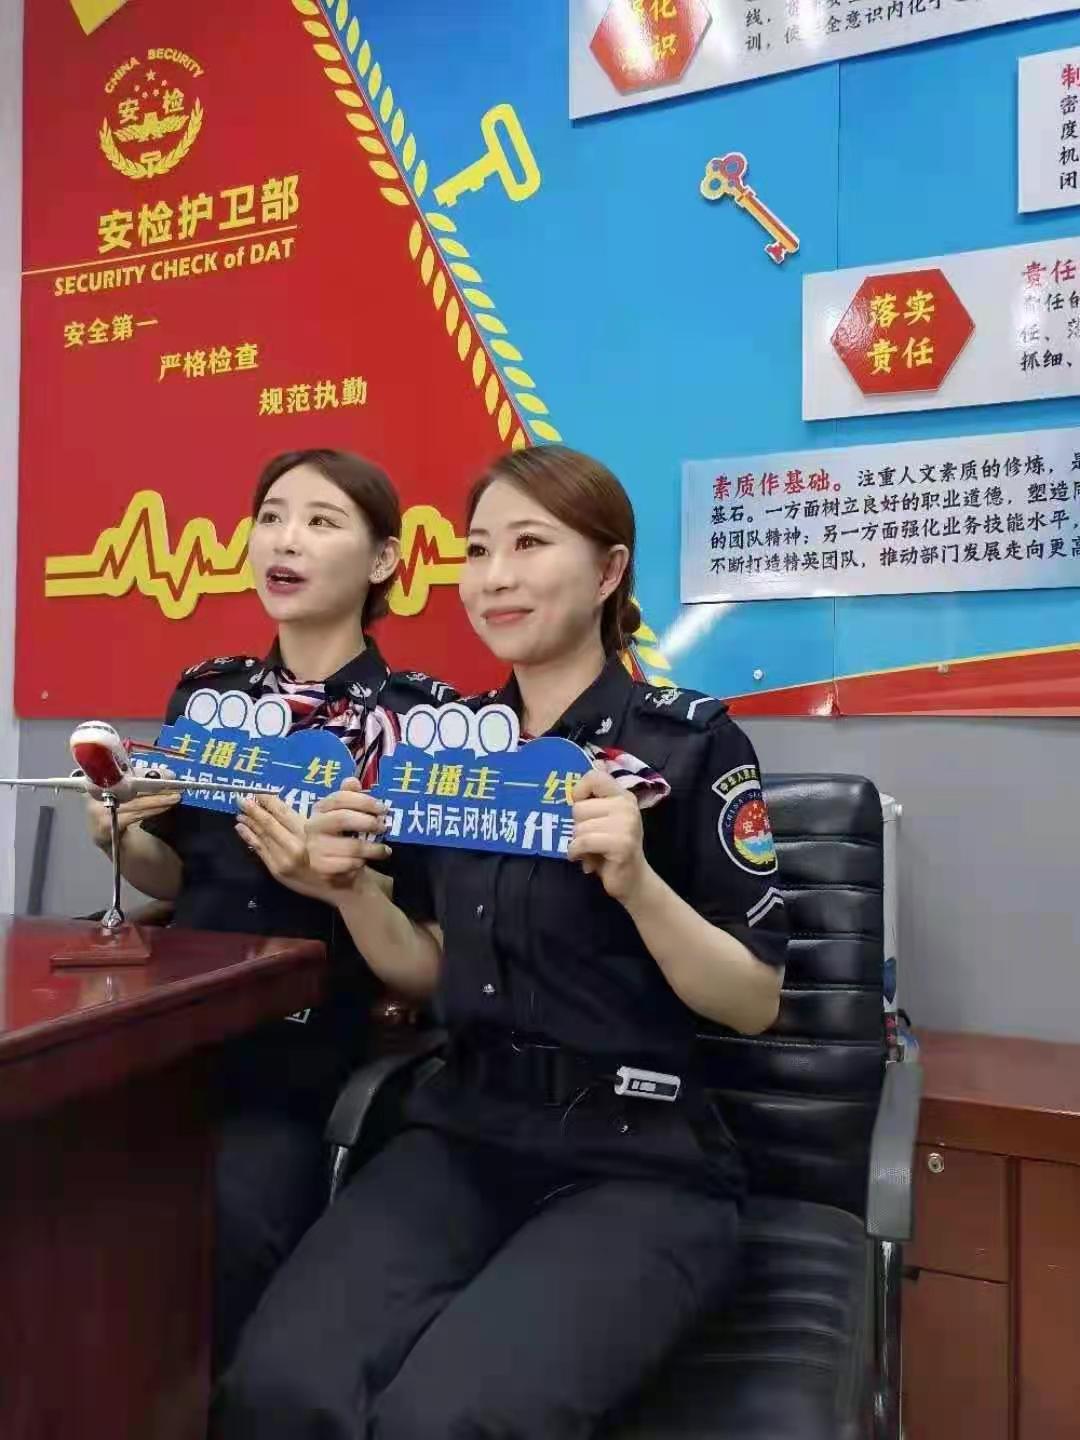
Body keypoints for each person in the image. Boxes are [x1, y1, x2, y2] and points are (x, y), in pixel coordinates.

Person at [215, 445, 790, 1440]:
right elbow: (428, 964)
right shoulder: (452, 749)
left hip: (639, 1159)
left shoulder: (690, 744)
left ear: (608, 571)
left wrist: (639, 884)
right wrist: (351, 892)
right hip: (465, 1129)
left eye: (530, 545)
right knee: (275, 1387)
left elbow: (754, 1001)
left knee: (448, 1419)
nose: (494, 577)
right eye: (478, 550)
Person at [84, 448, 453, 1377]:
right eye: (272, 517)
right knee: (65, 1193)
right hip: (170, 1035)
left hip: (305, 1060)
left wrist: (333, 883)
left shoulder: (421, 723)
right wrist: (120, 835)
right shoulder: (210, 697)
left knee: (225, 1225)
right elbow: (179, 877)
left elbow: (429, 934)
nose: (285, 541)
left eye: (321, 522)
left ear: (382, 560)